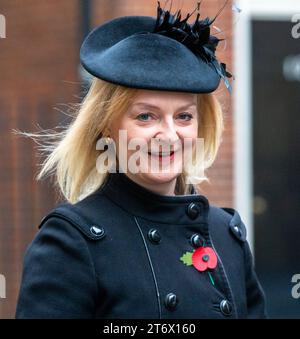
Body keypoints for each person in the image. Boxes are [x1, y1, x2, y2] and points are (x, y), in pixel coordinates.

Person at [15, 1, 267, 319]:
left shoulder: (226, 236)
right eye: (146, 116)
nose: (168, 134)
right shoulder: (70, 243)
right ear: (107, 125)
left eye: (184, 116)